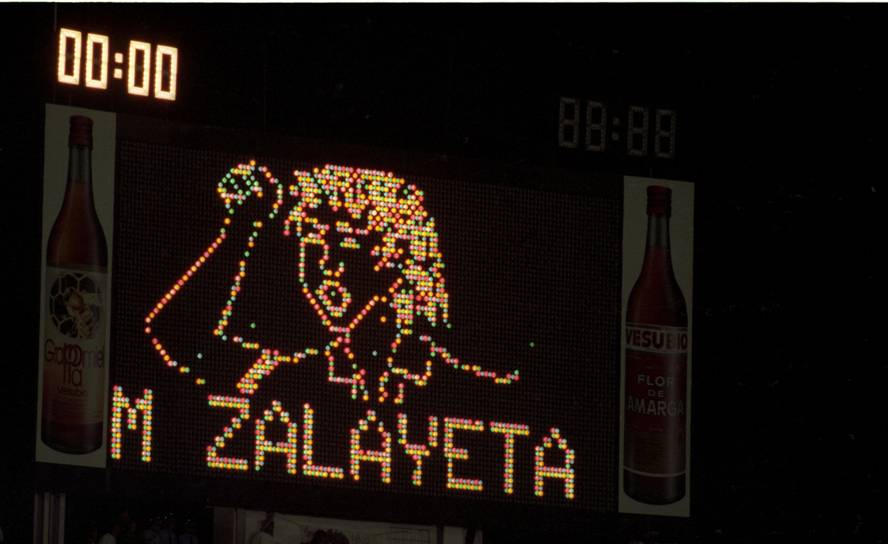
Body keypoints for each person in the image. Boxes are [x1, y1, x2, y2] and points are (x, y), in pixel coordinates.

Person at [147, 163, 518, 404]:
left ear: (392, 259)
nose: (325, 267)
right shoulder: (282, 372)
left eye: (343, 246)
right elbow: (179, 345)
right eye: (312, 246)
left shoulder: (455, 387)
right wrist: (242, 228)